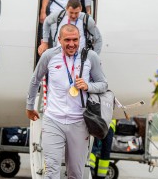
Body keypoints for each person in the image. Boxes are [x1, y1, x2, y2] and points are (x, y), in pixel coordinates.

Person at [26, 24, 108, 179]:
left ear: (80, 39)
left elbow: (104, 84)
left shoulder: (90, 57)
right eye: (67, 40)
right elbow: (35, 80)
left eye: (75, 39)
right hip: (53, 121)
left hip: (79, 123)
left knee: (75, 174)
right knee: (52, 172)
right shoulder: (49, 55)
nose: (71, 44)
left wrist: (88, 85)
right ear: (59, 40)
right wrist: (29, 106)